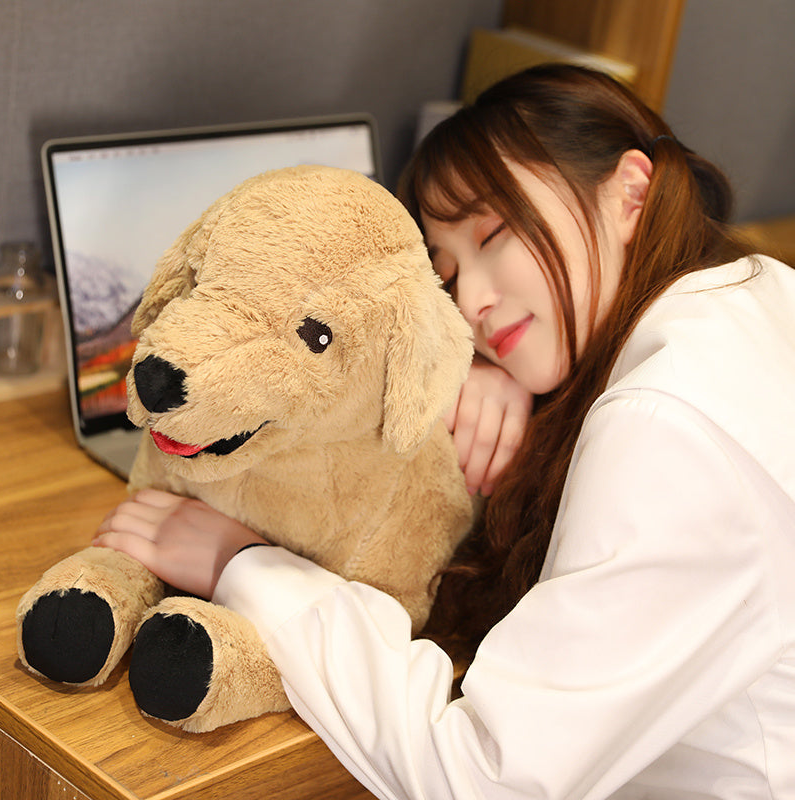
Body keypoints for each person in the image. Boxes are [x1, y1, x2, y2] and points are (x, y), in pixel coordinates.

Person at [93, 64, 795, 798]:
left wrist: (246, 565)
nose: (476, 302)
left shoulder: (670, 428)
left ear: (631, 193)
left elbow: (482, 778)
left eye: (496, 233)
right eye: (449, 274)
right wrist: (496, 368)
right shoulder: (750, 296)